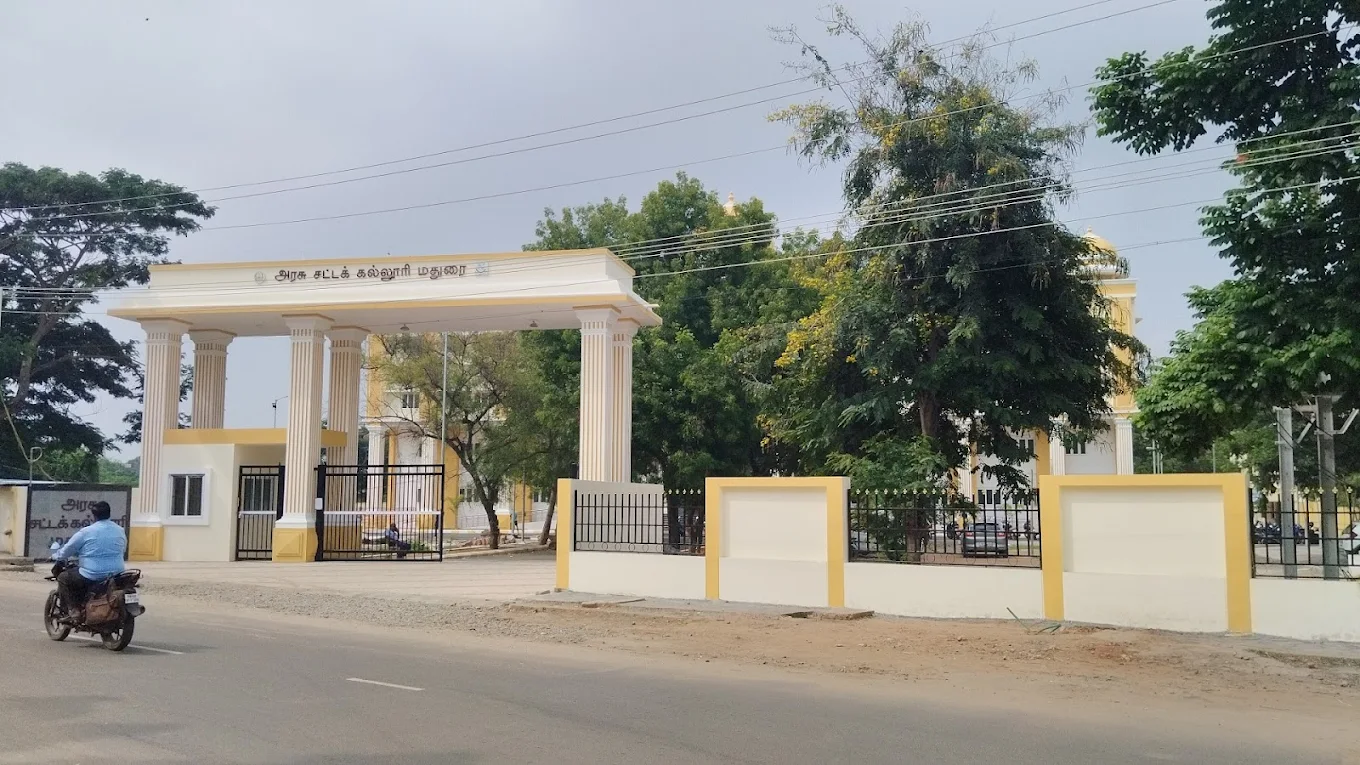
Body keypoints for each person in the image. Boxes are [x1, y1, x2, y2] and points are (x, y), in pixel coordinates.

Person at [52, 501, 126, 623]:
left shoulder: (86, 532)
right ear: (109, 514)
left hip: (92, 574)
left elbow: (68, 549)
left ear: (94, 516)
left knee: (64, 577)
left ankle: (73, 610)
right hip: (117, 573)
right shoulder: (120, 530)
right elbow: (123, 549)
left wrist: (57, 556)